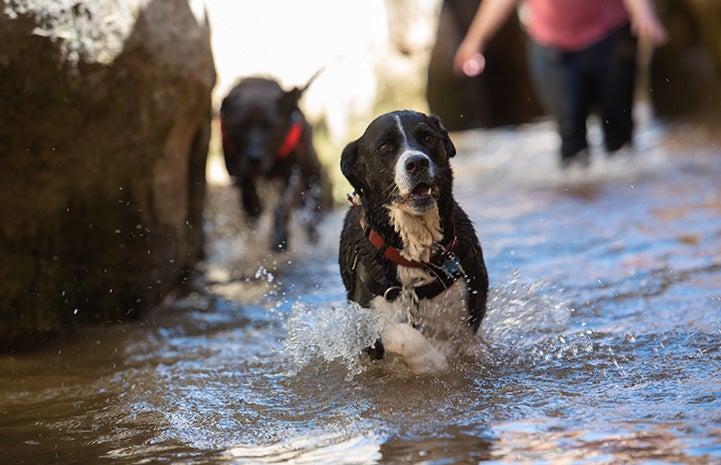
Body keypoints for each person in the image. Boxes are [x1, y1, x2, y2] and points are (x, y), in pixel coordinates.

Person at [454, 0, 668, 168]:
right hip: (551, 48)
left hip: (610, 38)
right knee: (571, 138)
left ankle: (623, 210)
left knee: (619, 138)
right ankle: (578, 212)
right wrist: (475, 42)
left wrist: (643, 13)